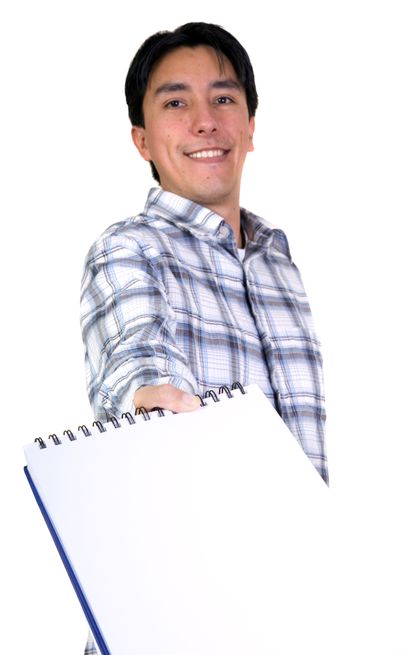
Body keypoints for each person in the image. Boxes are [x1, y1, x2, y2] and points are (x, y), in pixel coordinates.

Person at [81, 21, 327, 653]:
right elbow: (137, 356)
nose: (204, 121)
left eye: (223, 98)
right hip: (173, 616)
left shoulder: (279, 263)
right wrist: (151, 396)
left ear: (250, 126)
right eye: (174, 102)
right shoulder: (128, 248)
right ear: (142, 139)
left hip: (291, 613)